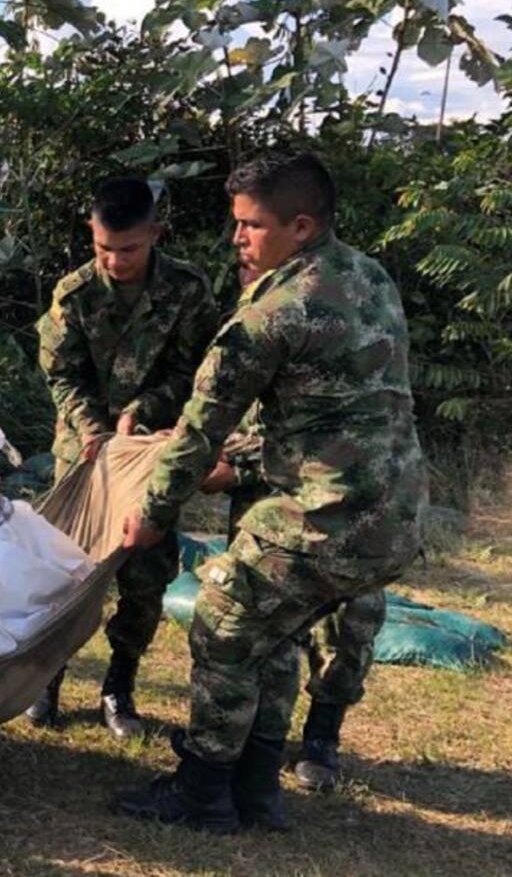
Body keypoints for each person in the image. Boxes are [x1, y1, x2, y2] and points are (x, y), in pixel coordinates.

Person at [117, 152, 427, 833]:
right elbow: (334, 407)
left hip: (330, 519)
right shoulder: (369, 279)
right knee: (273, 631)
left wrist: (152, 512)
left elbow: (203, 425)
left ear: (303, 225)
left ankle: (202, 793)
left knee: (225, 616)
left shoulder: (276, 309)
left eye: (251, 226)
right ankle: (256, 792)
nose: (237, 239)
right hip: (398, 515)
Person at [31, 176, 219, 734]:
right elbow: (61, 374)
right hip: (83, 456)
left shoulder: (188, 290)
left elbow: (197, 372)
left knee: (145, 573)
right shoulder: (74, 294)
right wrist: (92, 427)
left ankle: (120, 686)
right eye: (102, 248)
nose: (114, 261)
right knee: (64, 572)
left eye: (129, 249)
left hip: (150, 452)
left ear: (156, 234)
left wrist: (144, 409)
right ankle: (46, 680)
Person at [207, 409, 386, 791]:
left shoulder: (354, 365)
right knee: (262, 635)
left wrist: (237, 465)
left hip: (340, 518)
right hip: (265, 521)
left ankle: (321, 739)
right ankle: (255, 746)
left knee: (350, 623)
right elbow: (222, 430)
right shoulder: (240, 360)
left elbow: (337, 440)